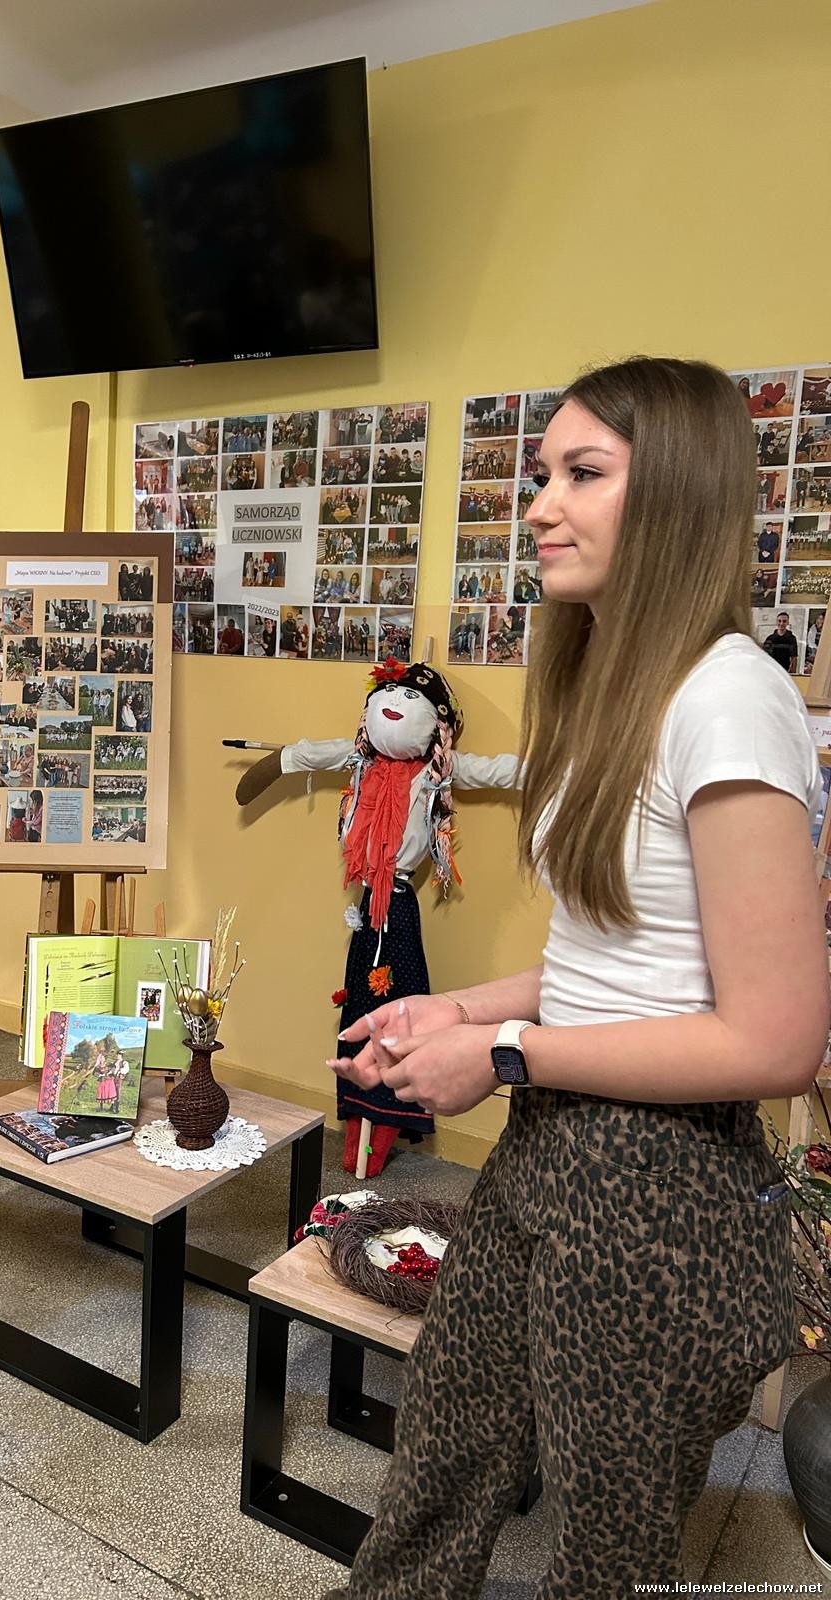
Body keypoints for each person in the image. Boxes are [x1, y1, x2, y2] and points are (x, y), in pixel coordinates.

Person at [327, 357, 828, 1600]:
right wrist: (461, 1008)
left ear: (677, 495)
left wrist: (500, 1055)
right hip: (555, 1139)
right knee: (444, 1447)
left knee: (607, 1549)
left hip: (657, 1183)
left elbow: (775, 1040)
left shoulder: (733, 697)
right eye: (542, 474)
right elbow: (608, 963)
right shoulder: (618, 683)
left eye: (582, 473)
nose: (540, 505)